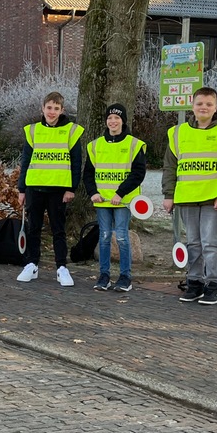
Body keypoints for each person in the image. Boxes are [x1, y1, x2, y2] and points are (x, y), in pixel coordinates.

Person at [162, 86, 217, 305]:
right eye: (200, 103)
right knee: (193, 243)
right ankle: (194, 282)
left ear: (215, 107)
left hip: (214, 198)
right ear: (192, 106)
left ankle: (215, 285)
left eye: (209, 104)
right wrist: (168, 194)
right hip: (186, 197)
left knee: (211, 243)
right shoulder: (178, 132)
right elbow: (170, 166)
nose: (204, 108)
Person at [16, 91, 83, 287]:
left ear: (62, 110)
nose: (52, 112)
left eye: (56, 108)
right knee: (33, 229)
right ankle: (31, 264)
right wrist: (22, 189)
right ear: (42, 109)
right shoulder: (33, 131)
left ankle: (61, 267)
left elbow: (76, 162)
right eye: (49, 108)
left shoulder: (71, 131)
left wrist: (71, 188)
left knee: (58, 230)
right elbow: (26, 161)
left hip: (59, 189)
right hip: (34, 187)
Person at [82, 102, 148, 292]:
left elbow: (138, 173)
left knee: (121, 237)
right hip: (102, 200)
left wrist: (120, 193)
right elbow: (88, 173)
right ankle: (104, 275)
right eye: (109, 118)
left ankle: (125, 277)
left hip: (123, 201)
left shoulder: (134, 144)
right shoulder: (95, 146)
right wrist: (92, 192)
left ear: (123, 121)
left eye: (117, 118)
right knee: (103, 237)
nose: (112, 121)